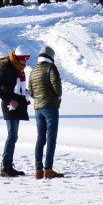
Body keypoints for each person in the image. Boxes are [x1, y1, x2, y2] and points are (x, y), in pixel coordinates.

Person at [0, 45, 31, 177]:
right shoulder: (7, 68)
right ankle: (5, 167)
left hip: (16, 105)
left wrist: (25, 97)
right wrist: (10, 100)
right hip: (9, 106)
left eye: (26, 60)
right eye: (23, 60)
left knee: (14, 136)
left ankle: (8, 165)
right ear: (17, 58)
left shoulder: (17, 68)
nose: (25, 63)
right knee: (12, 135)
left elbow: (15, 87)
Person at [28, 45, 64, 179]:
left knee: (40, 138)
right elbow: (57, 87)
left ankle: (38, 170)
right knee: (51, 138)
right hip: (51, 107)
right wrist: (57, 96)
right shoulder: (51, 68)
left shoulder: (33, 70)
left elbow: (31, 92)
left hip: (38, 108)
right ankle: (48, 169)